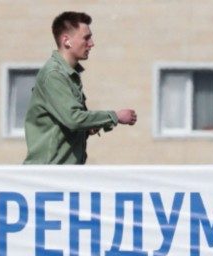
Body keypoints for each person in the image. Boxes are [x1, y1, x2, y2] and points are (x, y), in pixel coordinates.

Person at [23, 11, 137, 164]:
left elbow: (69, 122)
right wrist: (115, 116)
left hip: (62, 174)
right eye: (86, 38)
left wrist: (88, 128)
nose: (91, 43)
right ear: (66, 41)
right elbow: (73, 119)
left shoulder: (67, 74)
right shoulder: (54, 75)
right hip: (48, 174)